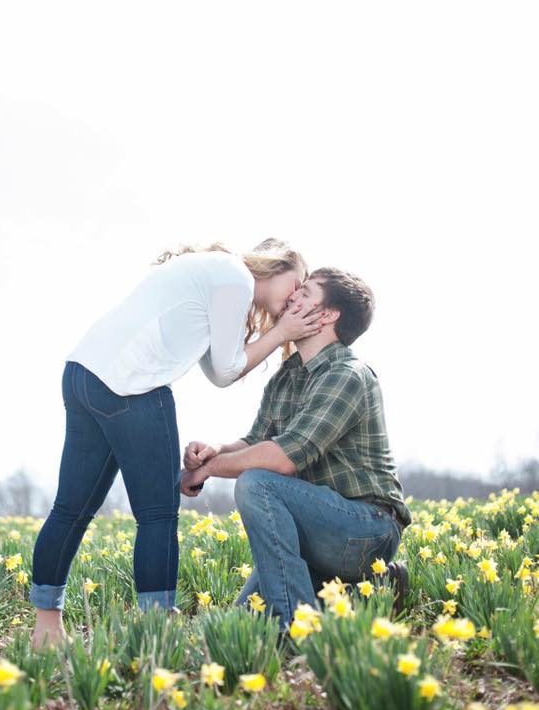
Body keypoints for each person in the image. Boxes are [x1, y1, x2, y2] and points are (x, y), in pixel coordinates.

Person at [29, 239, 327, 650]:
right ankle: (157, 634)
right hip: (130, 386)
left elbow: (216, 365)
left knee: (71, 509)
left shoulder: (214, 273)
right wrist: (281, 334)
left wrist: (277, 331)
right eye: (297, 285)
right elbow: (225, 373)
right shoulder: (235, 279)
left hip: (83, 374)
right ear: (276, 265)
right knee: (157, 516)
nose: (296, 298)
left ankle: (46, 629)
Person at [181, 266, 412, 629]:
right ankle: (375, 590)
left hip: (366, 529)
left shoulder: (346, 375)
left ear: (328, 314)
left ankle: (300, 630)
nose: (293, 296)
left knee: (257, 483)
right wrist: (215, 451)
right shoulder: (288, 376)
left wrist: (210, 471)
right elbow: (256, 442)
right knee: (239, 627)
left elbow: (283, 458)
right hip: (315, 528)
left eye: (307, 292)